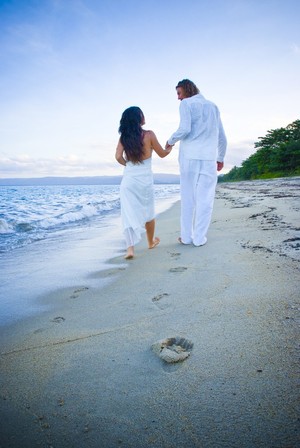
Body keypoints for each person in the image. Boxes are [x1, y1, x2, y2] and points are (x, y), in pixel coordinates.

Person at [165, 79, 227, 247]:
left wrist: (170, 141)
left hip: (189, 158)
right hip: (208, 159)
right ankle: (199, 238)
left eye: (179, 93)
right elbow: (222, 137)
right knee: (205, 200)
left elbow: (185, 129)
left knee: (188, 199)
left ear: (187, 89)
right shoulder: (213, 106)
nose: (178, 97)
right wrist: (220, 158)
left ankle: (186, 237)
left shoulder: (186, 104)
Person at [116, 106, 172, 259]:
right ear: (138, 118)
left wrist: (128, 165)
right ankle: (150, 242)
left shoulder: (124, 137)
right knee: (148, 210)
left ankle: (130, 250)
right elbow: (162, 154)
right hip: (145, 180)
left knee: (127, 213)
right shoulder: (149, 135)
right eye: (141, 113)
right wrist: (170, 147)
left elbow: (118, 156)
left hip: (128, 179)